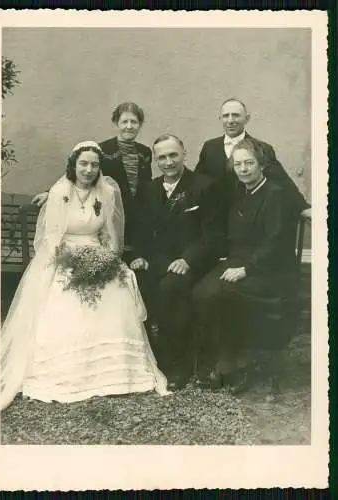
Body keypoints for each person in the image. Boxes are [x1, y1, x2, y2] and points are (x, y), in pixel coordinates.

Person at [1, 141, 169, 411]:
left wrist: (110, 262)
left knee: (118, 286)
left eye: (94, 164)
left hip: (97, 252)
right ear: (73, 165)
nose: (89, 170)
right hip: (63, 253)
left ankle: (116, 374)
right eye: (83, 164)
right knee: (64, 293)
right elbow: (51, 238)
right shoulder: (59, 192)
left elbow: (111, 236)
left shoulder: (107, 192)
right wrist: (67, 263)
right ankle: (66, 371)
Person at [192, 138, 299, 391]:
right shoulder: (240, 191)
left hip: (269, 268)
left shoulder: (276, 195)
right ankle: (216, 360)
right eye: (238, 164)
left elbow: (276, 243)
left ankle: (238, 363)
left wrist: (246, 269)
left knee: (225, 293)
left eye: (249, 163)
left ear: (261, 164)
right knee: (201, 292)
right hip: (236, 261)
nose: (243, 169)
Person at [130, 134, 223, 390]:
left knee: (171, 289)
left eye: (173, 155)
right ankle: (147, 359)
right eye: (162, 157)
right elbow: (139, 229)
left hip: (191, 262)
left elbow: (212, 235)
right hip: (155, 260)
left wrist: (187, 260)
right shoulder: (148, 188)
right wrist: (138, 255)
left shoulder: (205, 186)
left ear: (184, 153)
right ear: (156, 160)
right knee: (131, 284)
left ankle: (177, 365)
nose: (168, 161)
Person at [31, 102, 152, 261]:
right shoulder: (103, 149)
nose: (129, 126)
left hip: (137, 212)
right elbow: (78, 173)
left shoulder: (144, 152)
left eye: (134, 122)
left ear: (140, 125)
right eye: (124, 122)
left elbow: (147, 182)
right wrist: (49, 192)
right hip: (111, 209)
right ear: (116, 123)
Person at [195, 98, 311, 235]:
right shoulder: (210, 147)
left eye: (236, 115)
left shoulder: (262, 148)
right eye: (226, 115)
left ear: (247, 118)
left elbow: (283, 182)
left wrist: (302, 207)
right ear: (219, 118)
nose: (230, 120)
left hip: (247, 220)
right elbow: (198, 180)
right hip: (216, 221)